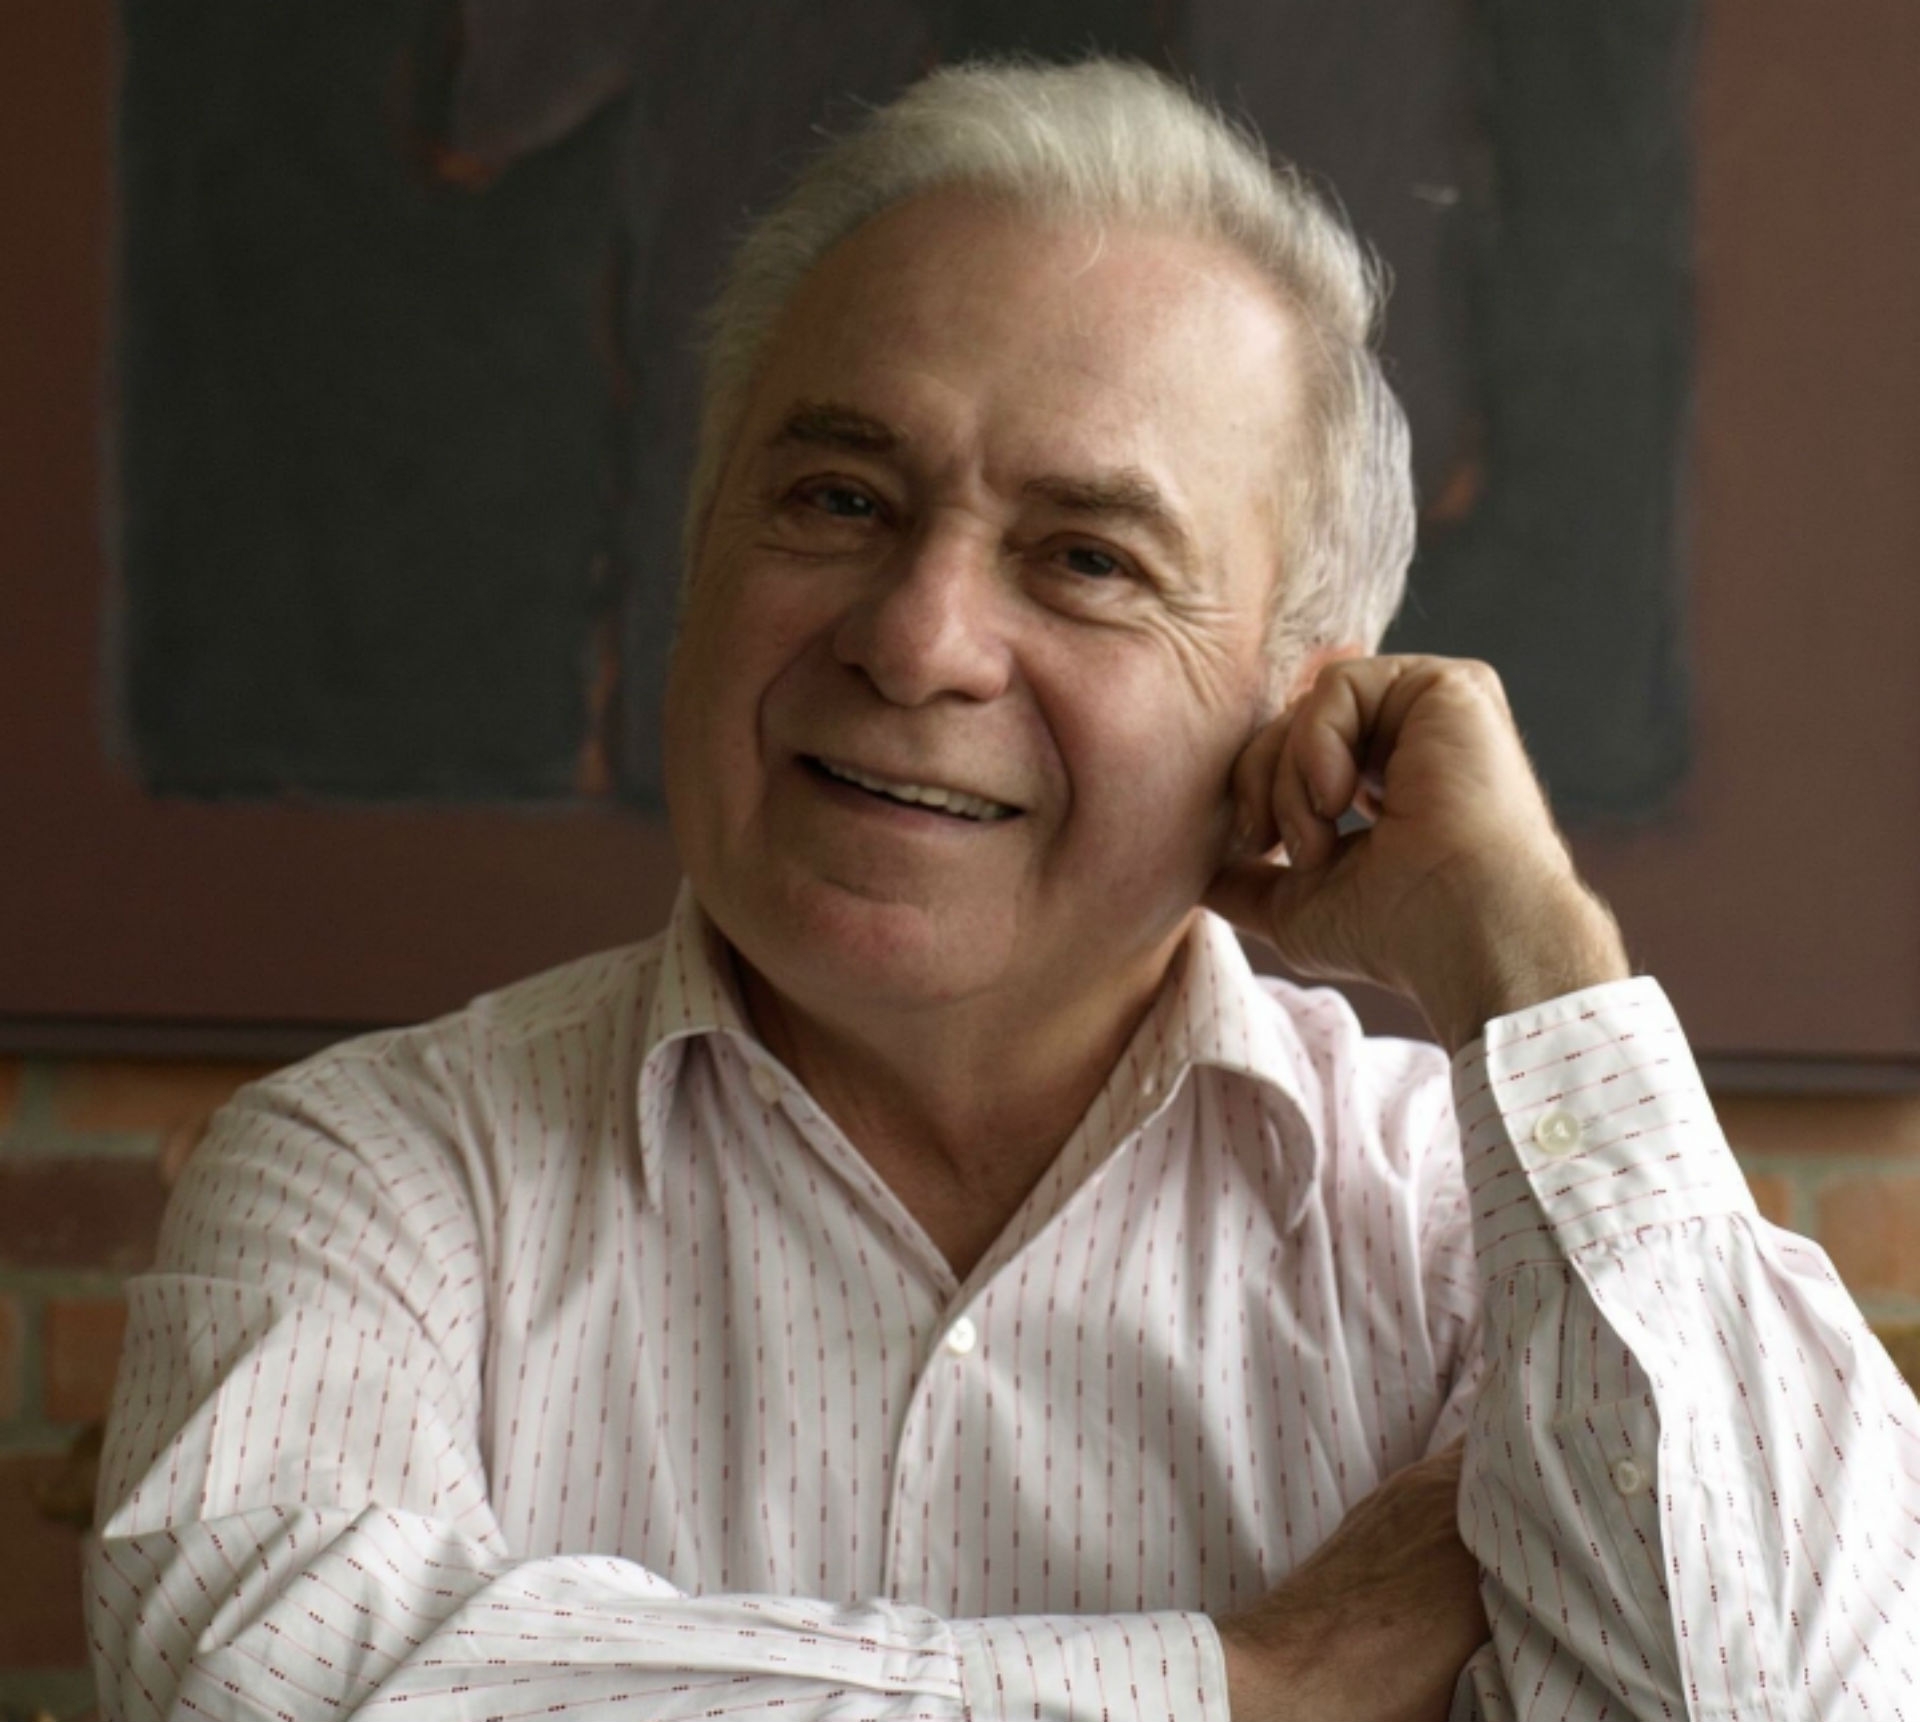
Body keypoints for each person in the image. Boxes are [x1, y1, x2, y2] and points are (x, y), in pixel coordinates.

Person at [88, 58, 1918, 1721]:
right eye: (839, 499)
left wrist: (1533, 958)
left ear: (1299, 708)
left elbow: (1789, 1697)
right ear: (701, 547)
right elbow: (260, 1684)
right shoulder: (369, 1178)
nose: (917, 638)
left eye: (1088, 557)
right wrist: (1254, 1683)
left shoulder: (1471, 1248)